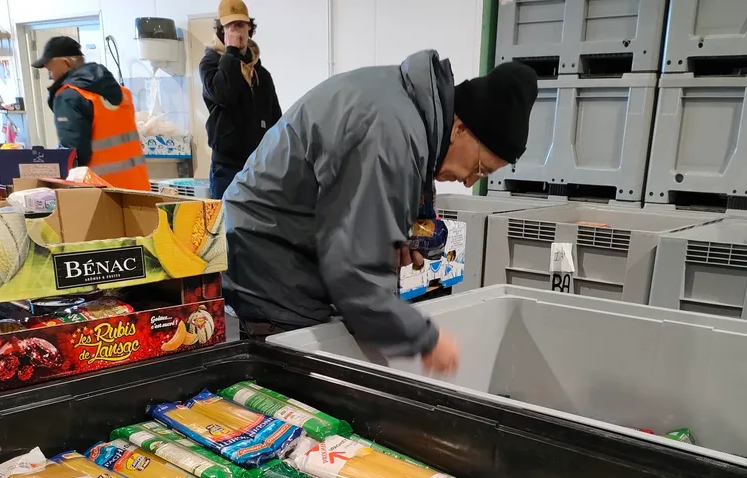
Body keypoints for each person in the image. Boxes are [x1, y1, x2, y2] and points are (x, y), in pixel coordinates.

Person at [222, 53, 537, 374]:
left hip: (289, 243)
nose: (470, 180)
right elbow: (354, 272)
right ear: (460, 128)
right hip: (268, 254)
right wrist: (425, 339)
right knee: (299, 387)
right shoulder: (390, 131)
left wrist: (395, 236)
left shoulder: (414, 113)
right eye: (481, 168)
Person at [33, 36, 150, 190]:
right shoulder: (122, 93)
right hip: (137, 189)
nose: (50, 76)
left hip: (101, 194)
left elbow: (73, 154)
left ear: (65, 62)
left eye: (50, 70)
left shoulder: (70, 97)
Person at [200, 0, 282, 198]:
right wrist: (231, 53)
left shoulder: (261, 74)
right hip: (226, 167)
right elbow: (225, 95)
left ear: (250, 28)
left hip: (258, 166)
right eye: (230, 26)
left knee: (255, 225)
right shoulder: (210, 64)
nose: (237, 32)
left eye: (241, 25)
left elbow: (276, 120)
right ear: (222, 30)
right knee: (225, 226)